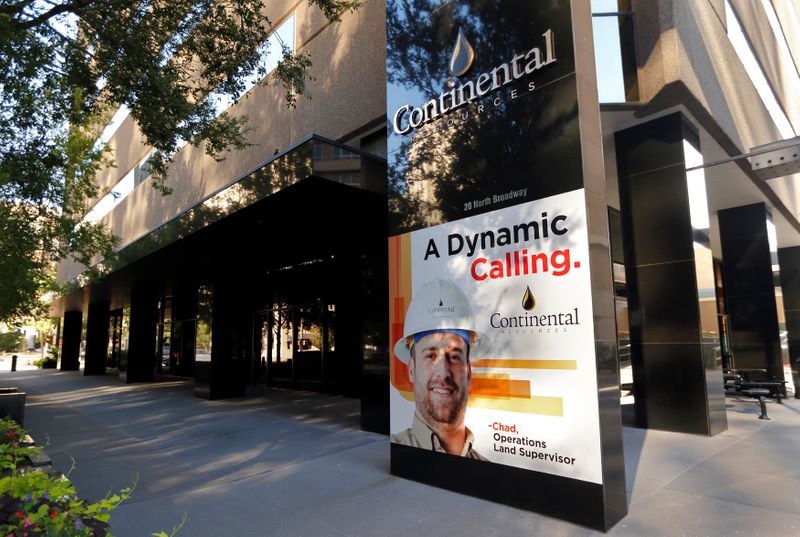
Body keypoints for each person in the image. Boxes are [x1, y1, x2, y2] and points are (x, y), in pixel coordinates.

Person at [391, 277, 489, 460]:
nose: (443, 372)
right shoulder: (398, 454)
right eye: (430, 356)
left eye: (454, 356)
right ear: (411, 370)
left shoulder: (487, 470)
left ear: (468, 371)